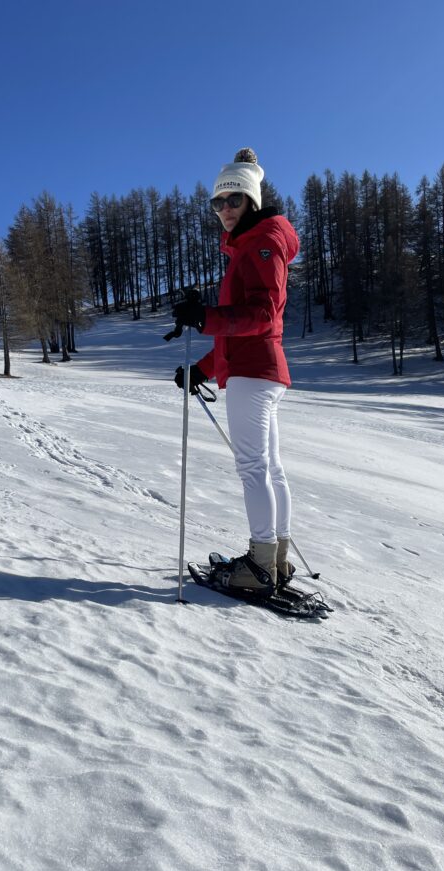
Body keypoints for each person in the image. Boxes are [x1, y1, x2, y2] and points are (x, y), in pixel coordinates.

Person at [171, 147, 299, 595]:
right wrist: (202, 369)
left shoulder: (261, 245)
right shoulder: (253, 245)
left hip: (254, 372)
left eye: (234, 200)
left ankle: (261, 563)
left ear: (252, 202)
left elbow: (263, 315)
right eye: (217, 203)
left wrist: (205, 317)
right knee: (270, 467)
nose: (224, 210)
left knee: (253, 467)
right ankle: (276, 561)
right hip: (260, 370)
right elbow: (239, 331)